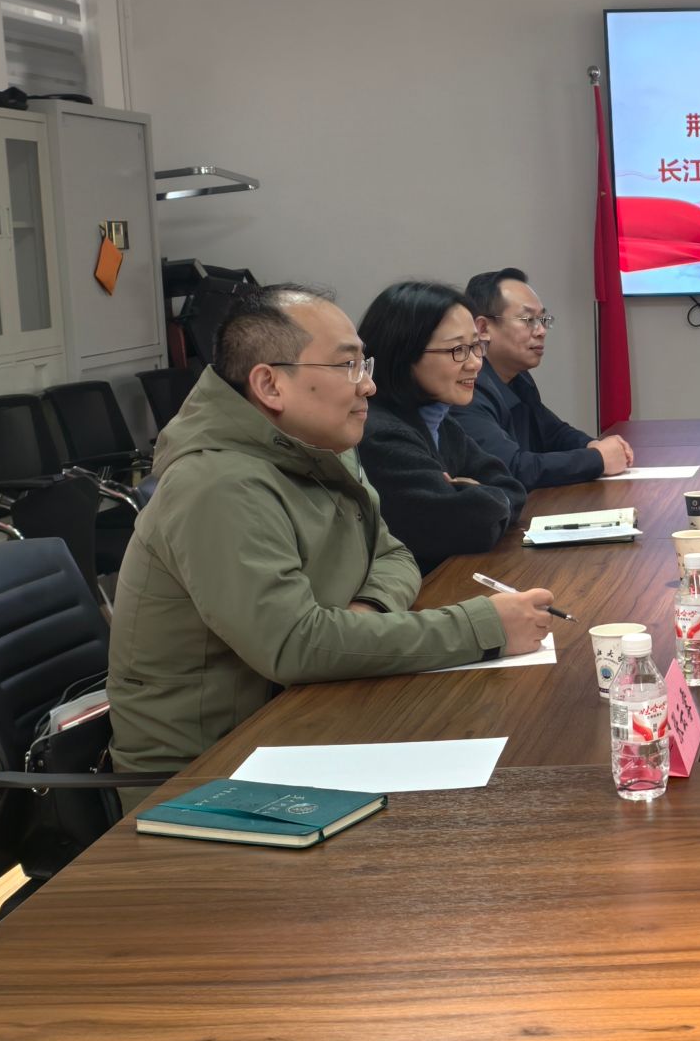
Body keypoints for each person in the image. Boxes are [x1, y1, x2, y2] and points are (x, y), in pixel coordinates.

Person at [107, 285, 554, 795]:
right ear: (270, 385)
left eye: (365, 364)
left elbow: (393, 553)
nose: (369, 386)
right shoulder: (217, 485)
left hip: (301, 722)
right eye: (348, 366)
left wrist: (364, 613)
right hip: (205, 775)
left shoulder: (321, 445)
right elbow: (296, 645)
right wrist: (481, 627)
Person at [357, 280, 529, 574]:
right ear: (404, 353)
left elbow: (512, 487)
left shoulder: (439, 421)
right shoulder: (381, 435)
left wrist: (479, 495)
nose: (475, 363)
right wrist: (484, 497)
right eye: (457, 349)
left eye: (475, 346)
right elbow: (469, 525)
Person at [452, 267, 633, 487]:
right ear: (483, 328)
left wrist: (594, 445)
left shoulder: (519, 378)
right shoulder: (467, 388)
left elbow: (553, 433)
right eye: (528, 319)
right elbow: (510, 469)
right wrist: (597, 459)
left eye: (543, 319)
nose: (541, 331)